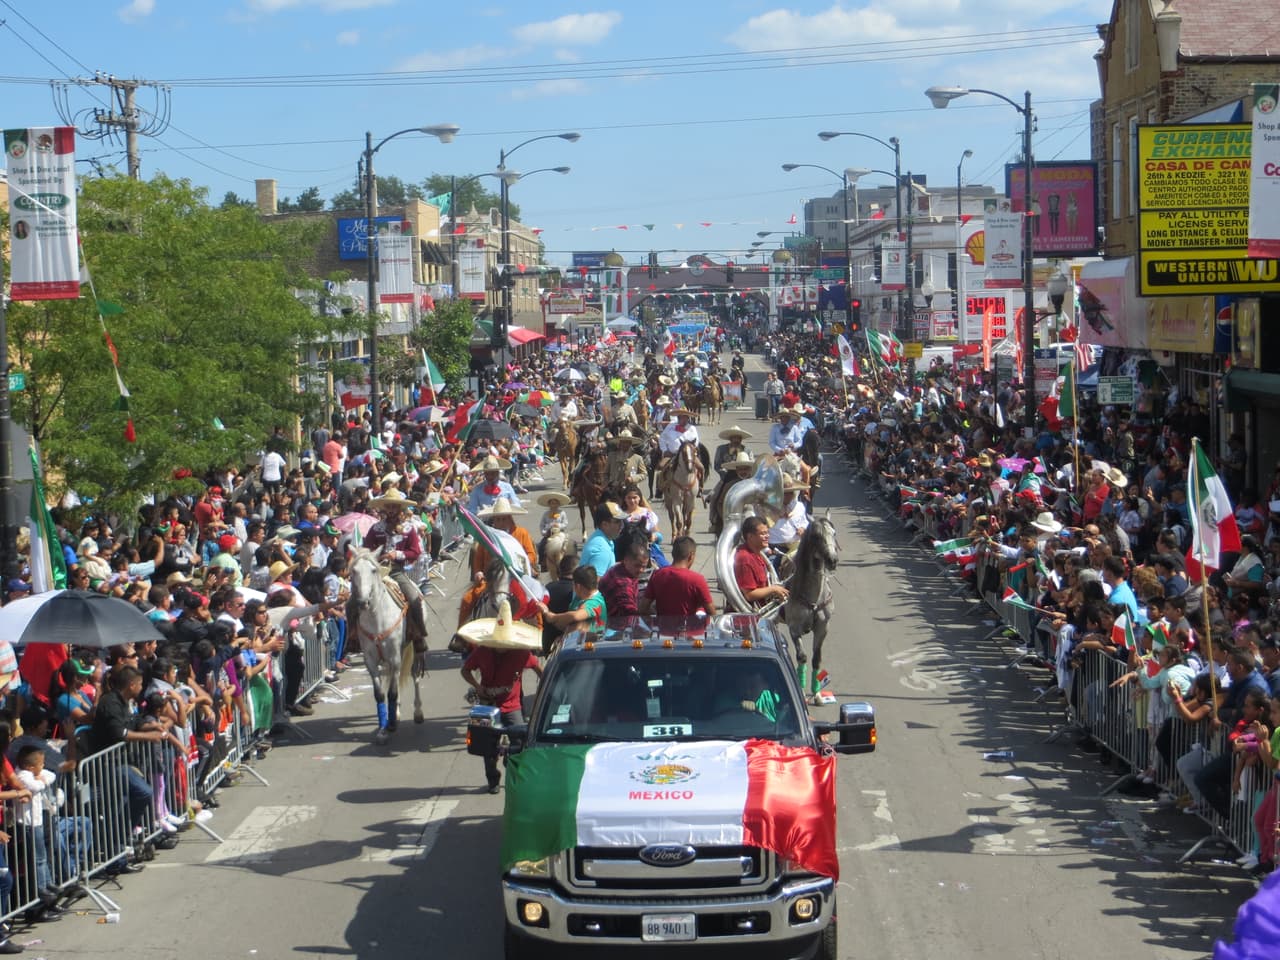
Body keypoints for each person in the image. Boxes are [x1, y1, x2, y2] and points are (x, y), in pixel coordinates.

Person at [460, 640, 542, 795]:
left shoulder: (521, 653)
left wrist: (544, 693)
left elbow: (539, 670)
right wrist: (478, 687)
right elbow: (465, 671)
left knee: (520, 742)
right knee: (486, 747)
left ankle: (515, 776)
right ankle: (493, 780)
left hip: (512, 706)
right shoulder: (482, 651)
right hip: (488, 706)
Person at [362, 488, 430, 653]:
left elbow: (415, 552)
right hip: (376, 572)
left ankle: (419, 634)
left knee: (414, 599)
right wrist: (376, 556)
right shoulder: (376, 528)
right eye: (389, 506)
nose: (391, 510)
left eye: (395, 506)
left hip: (396, 571)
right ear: (384, 508)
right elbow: (366, 549)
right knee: (356, 600)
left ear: (400, 508)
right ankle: (353, 638)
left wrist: (397, 554)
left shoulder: (408, 529)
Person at [640, 536, 715, 618]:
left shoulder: (657, 575)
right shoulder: (697, 579)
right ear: (691, 556)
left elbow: (643, 608)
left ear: (673, 554)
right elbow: (712, 613)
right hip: (688, 625)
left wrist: (656, 620)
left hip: (663, 625)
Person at [732, 515, 788, 608]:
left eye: (767, 533)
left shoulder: (758, 553)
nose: (767, 536)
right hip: (753, 613)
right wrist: (773, 589)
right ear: (750, 536)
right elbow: (749, 594)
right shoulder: (744, 559)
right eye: (763, 533)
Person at [538, 565, 607, 632]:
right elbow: (562, 624)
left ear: (578, 586)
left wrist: (552, 616)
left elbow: (575, 616)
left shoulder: (596, 601)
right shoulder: (578, 598)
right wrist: (548, 614)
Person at [598, 541, 648, 619]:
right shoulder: (622, 584)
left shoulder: (620, 568)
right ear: (626, 560)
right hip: (613, 622)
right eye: (637, 565)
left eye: (644, 567)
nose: (641, 570)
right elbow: (630, 615)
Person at [580, 501, 626, 579]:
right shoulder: (602, 550)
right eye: (617, 522)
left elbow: (606, 565)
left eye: (622, 521)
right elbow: (595, 582)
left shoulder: (602, 537)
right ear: (605, 524)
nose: (622, 525)